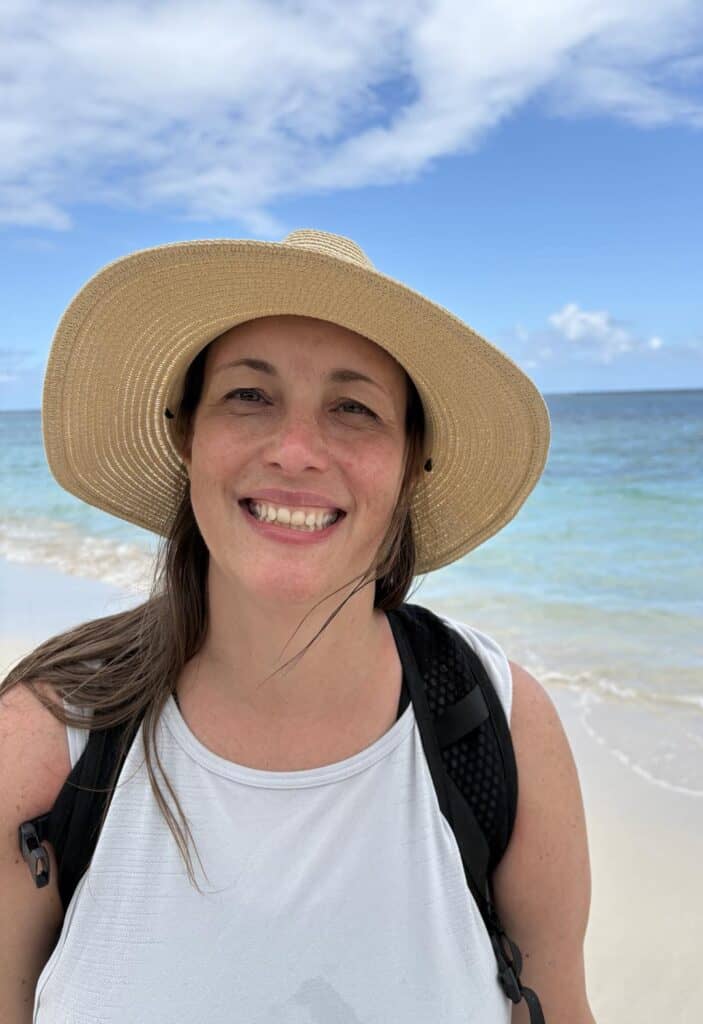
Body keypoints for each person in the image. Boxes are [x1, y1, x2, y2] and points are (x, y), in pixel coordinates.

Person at [0, 230, 595, 1023]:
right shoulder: (49, 738)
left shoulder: (498, 723)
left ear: (414, 458)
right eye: (249, 395)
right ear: (187, 435)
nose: (295, 451)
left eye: (353, 408)